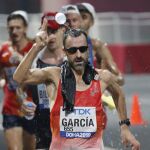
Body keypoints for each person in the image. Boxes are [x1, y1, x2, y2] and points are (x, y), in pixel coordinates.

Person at [13, 19, 140, 150]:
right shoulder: (54, 76)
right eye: (72, 50)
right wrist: (36, 47)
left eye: (82, 49)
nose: (78, 55)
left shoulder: (102, 77)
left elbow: (118, 93)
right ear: (65, 51)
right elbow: (19, 77)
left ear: (88, 49)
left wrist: (124, 127)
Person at [19, 12, 66, 150]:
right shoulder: (33, 59)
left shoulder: (73, 57)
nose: (50, 36)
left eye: (54, 31)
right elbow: (19, 88)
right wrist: (23, 102)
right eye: (47, 31)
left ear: (63, 30)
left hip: (69, 122)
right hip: (42, 125)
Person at [60, 4, 124, 85]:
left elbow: (119, 78)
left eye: (83, 17)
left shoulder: (97, 45)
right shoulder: (56, 45)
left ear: (92, 21)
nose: (79, 22)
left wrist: (101, 78)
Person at [0, 10, 36, 150]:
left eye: (18, 27)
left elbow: (43, 74)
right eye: (11, 28)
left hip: (32, 107)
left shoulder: (34, 48)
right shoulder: (3, 49)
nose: (14, 31)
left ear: (25, 28)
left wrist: (23, 61)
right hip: (10, 107)